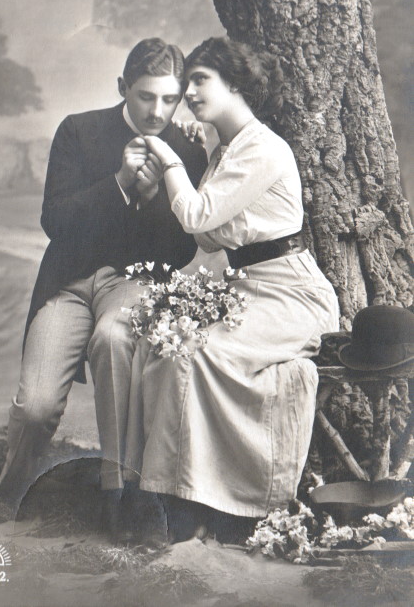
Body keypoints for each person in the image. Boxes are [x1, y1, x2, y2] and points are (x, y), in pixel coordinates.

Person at [0, 38, 207, 539]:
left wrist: (156, 197)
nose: (157, 111)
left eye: (170, 99)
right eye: (145, 96)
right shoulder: (79, 131)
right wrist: (120, 183)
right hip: (68, 282)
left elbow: (182, 252)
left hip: (134, 282)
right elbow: (55, 221)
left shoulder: (188, 149)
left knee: (113, 339)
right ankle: (7, 493)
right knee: (37, 405)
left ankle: (118, 496)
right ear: (123, 87)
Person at [124, 37, 340, 542]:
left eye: (201, 80)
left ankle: (231, 510)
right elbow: (206, 237)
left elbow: (197, 216)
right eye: (188, 82)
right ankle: (175, 499)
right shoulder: (226, 150)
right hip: (249, 289)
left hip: (292, 294)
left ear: (235, 84)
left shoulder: (263, 148)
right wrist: (195, 154)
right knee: (165, 351)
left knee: (195, 354)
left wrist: (168, 157)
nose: (189, 92)